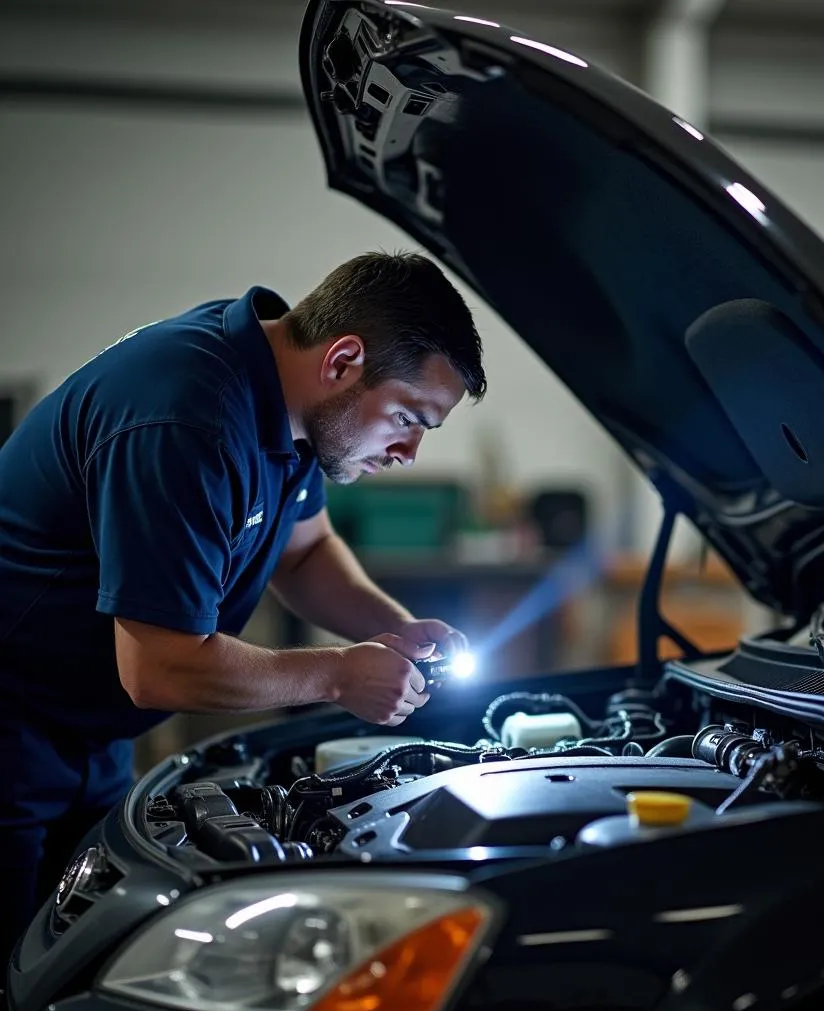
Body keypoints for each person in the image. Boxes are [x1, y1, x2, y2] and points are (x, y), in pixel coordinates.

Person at [0, 251, 486, 974]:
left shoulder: (286, 405)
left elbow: (306, 551)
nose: (410, 452)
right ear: (344, 360)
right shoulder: (186, 417)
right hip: (12, 731)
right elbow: (161, 668)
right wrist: (336, 677)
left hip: (83, 737)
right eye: (410, 418)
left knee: (74, 962)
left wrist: (392, 629)